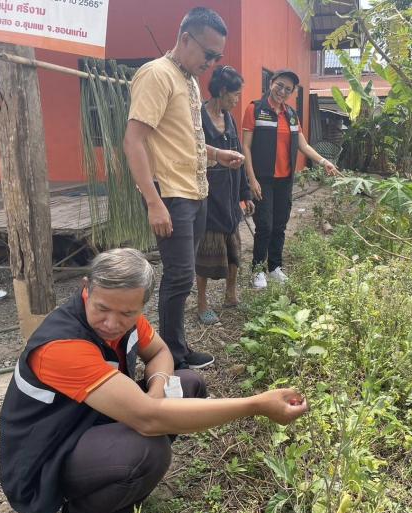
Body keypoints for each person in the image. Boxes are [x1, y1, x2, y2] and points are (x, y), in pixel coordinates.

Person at [0, 248, 308, 513]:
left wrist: (157, 389)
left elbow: (160, 353)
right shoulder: (62, 344)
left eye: (126, 313)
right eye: (102, 308)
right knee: (148, 450)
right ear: (86, 289)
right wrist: (256, 405)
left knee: (189, 384)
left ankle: (118, 475)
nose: (112, 322)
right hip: (47, 455)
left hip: (88, 420)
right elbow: (148, 419)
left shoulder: (127, 319)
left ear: (141, 306)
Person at [123, 7, 244, 369]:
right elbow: (134, 141)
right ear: (185, 38)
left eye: (217, 56)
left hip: (196, 190)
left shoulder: (187, 79)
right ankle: (170, 356)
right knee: (177, 277)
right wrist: (153, 201)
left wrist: (216, 153)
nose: (212, 62)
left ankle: (176, 346)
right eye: (208, 54)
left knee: (184, 274)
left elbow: (181, 141)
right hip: (172, 195)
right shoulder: (156, 75)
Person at [241, 69, 340, 289]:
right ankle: (258, 270)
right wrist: (252, 179)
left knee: (279, 224)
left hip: (285, 179)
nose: (282, 91)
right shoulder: (255, 109)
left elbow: (303, 145)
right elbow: (245, 147)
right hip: (263, 179)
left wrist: (324, 162)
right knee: (264, 225)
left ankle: (275, 267)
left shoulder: (292, 115)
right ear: (271, 83)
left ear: (292, 92)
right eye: (280, 85)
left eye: (288, 89)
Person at [196, 65, 254, 325]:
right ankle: (201, 302)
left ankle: (230, 294)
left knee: (233, 248)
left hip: (230, 195)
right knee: (206, 252)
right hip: (208, 195)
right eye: (235, 94)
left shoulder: (229, 118)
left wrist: (245, 194)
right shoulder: (198, 117)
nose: (237, 99)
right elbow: (192, 151)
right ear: (222, 90)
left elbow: (239, 156)